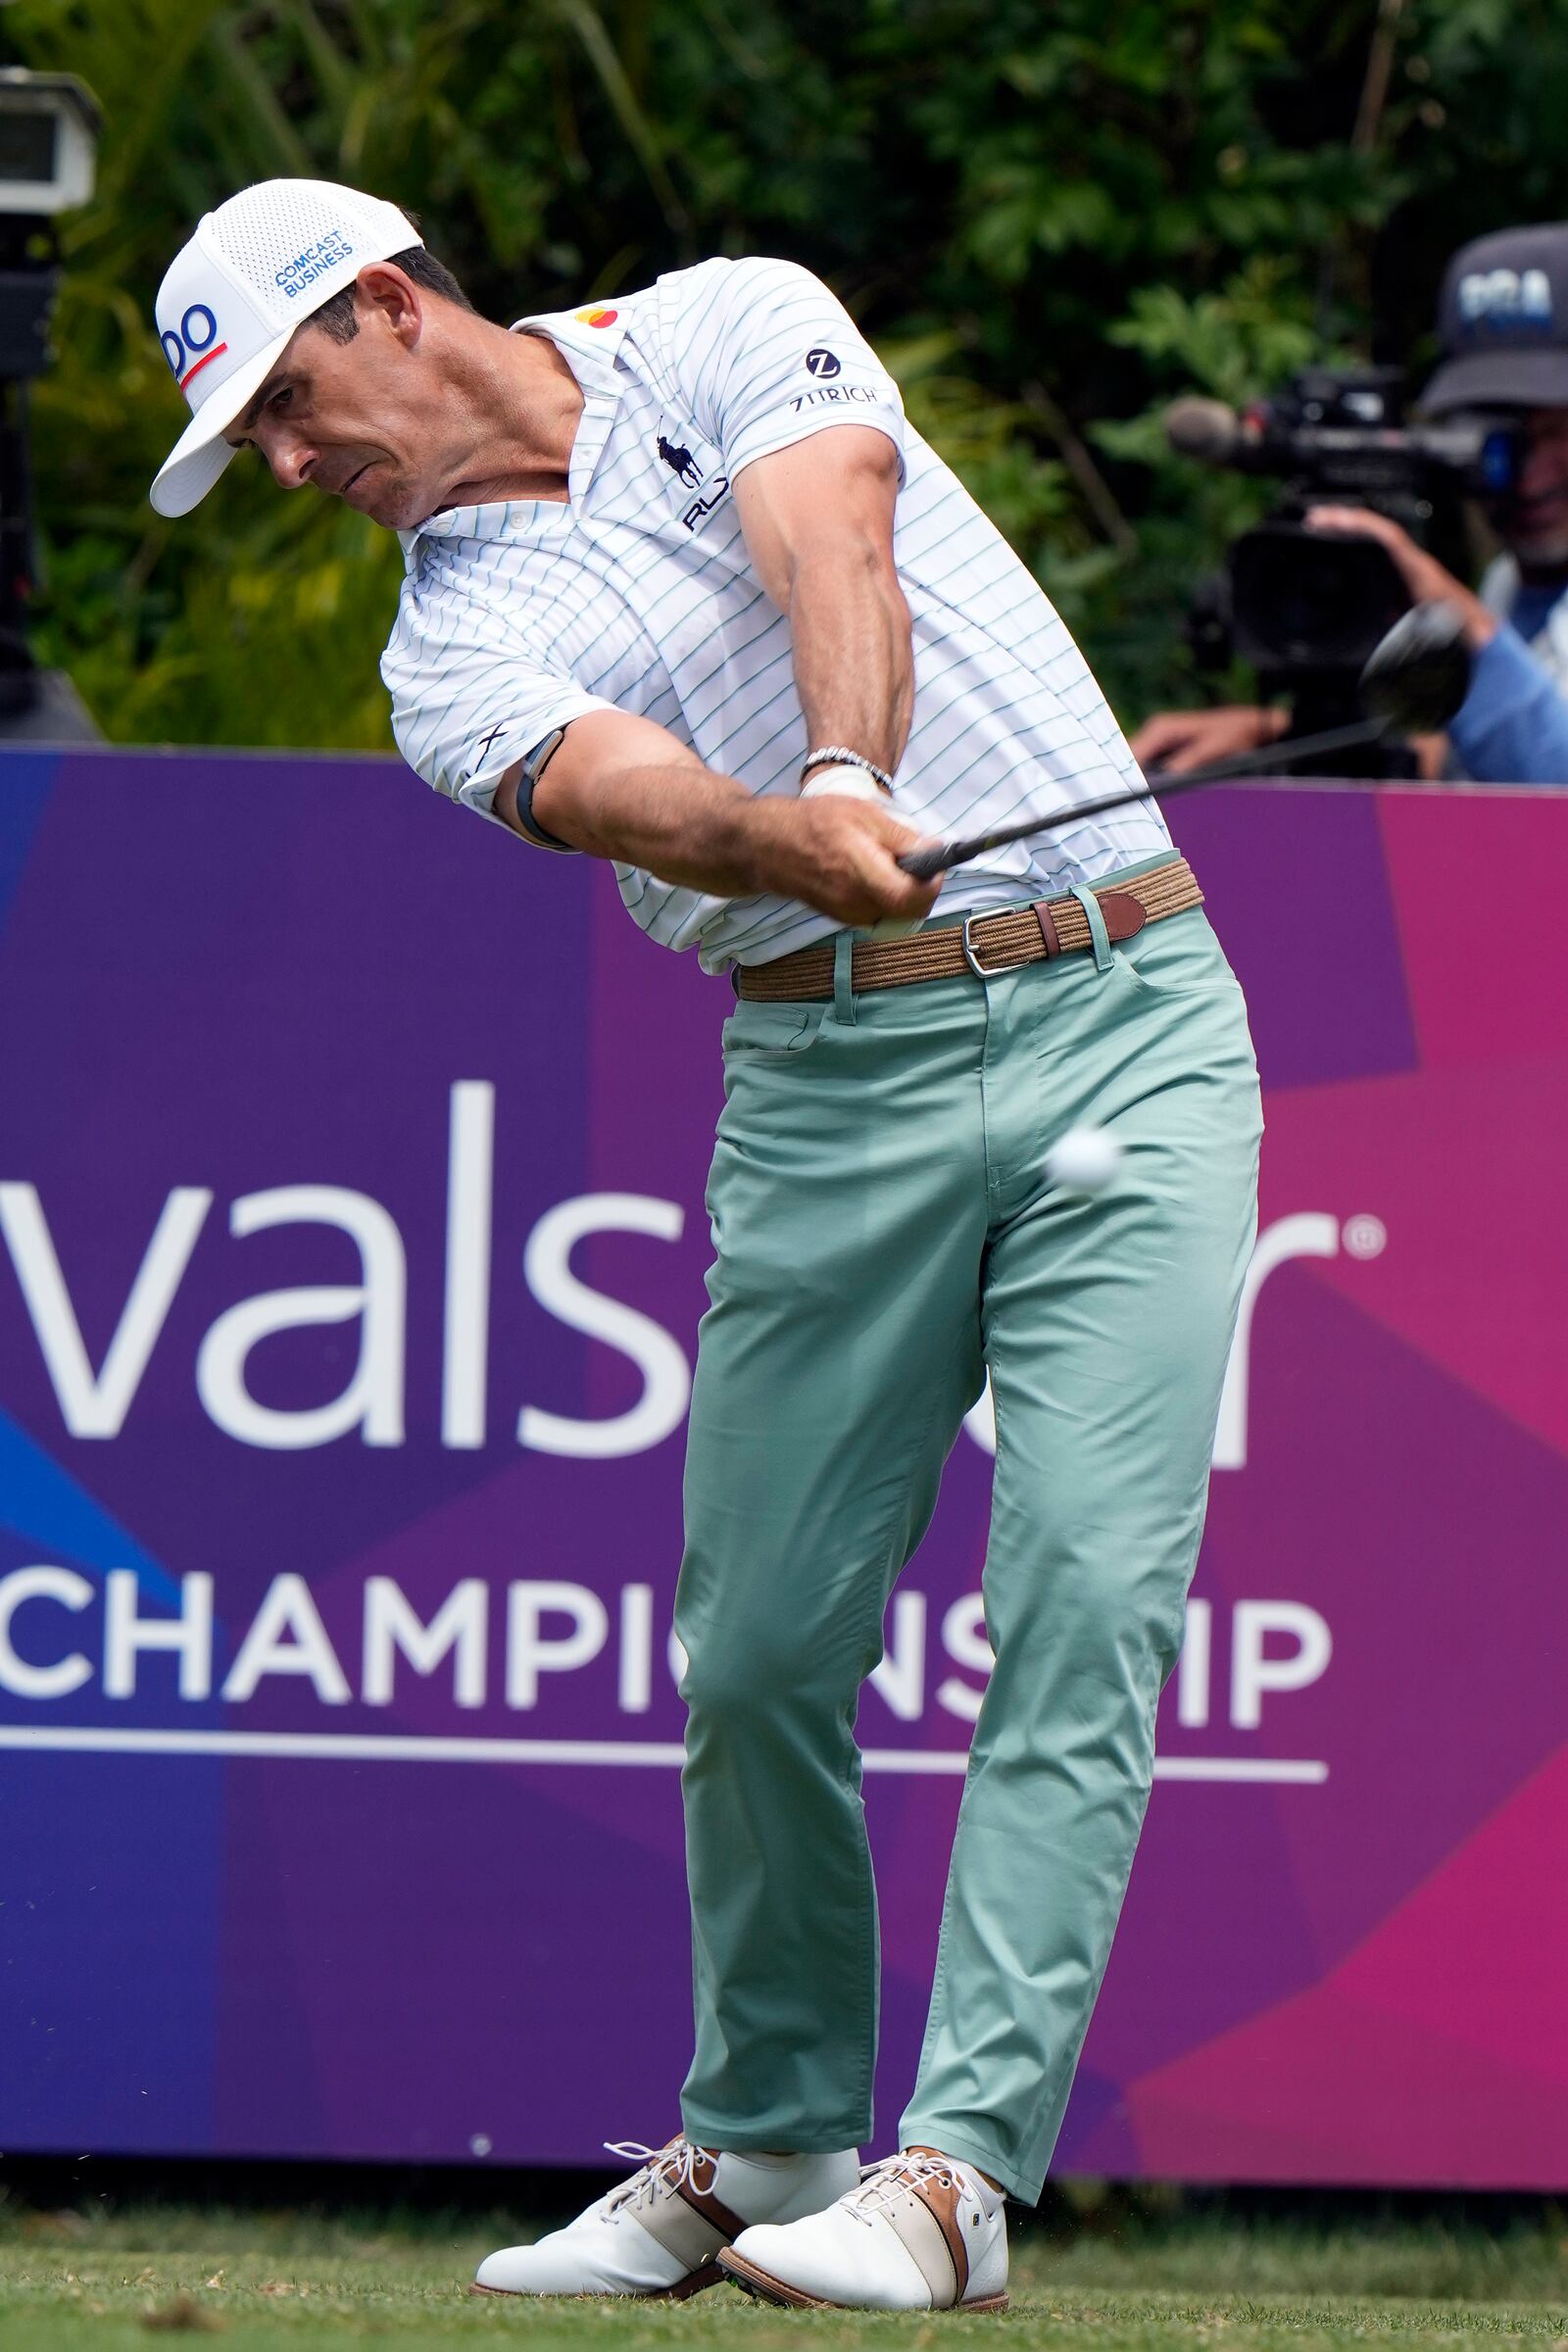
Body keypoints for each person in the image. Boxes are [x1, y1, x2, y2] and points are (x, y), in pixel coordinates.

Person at [149, 179, 1261, 2314]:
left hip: (1122, 1010)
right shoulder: (436, 641)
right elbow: (625, 792)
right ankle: (761, 2138)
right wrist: (785, 842)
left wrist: (843, 762)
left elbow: (825, 533)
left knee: (1084, 1597)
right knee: (758, 1654)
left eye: (293, 403)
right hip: (826, 1079)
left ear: (392, 305)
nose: (289, 466)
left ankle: (952, 2179)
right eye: (256, 448)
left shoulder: (723, 318)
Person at [1132, 222, 1568, 787]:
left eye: (1558, 432)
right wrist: (1279, 733)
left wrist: (1459, 631)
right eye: (1500, 440)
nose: (1530, 474)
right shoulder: (1510, 586)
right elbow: (1471, 776)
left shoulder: (1481, 617)